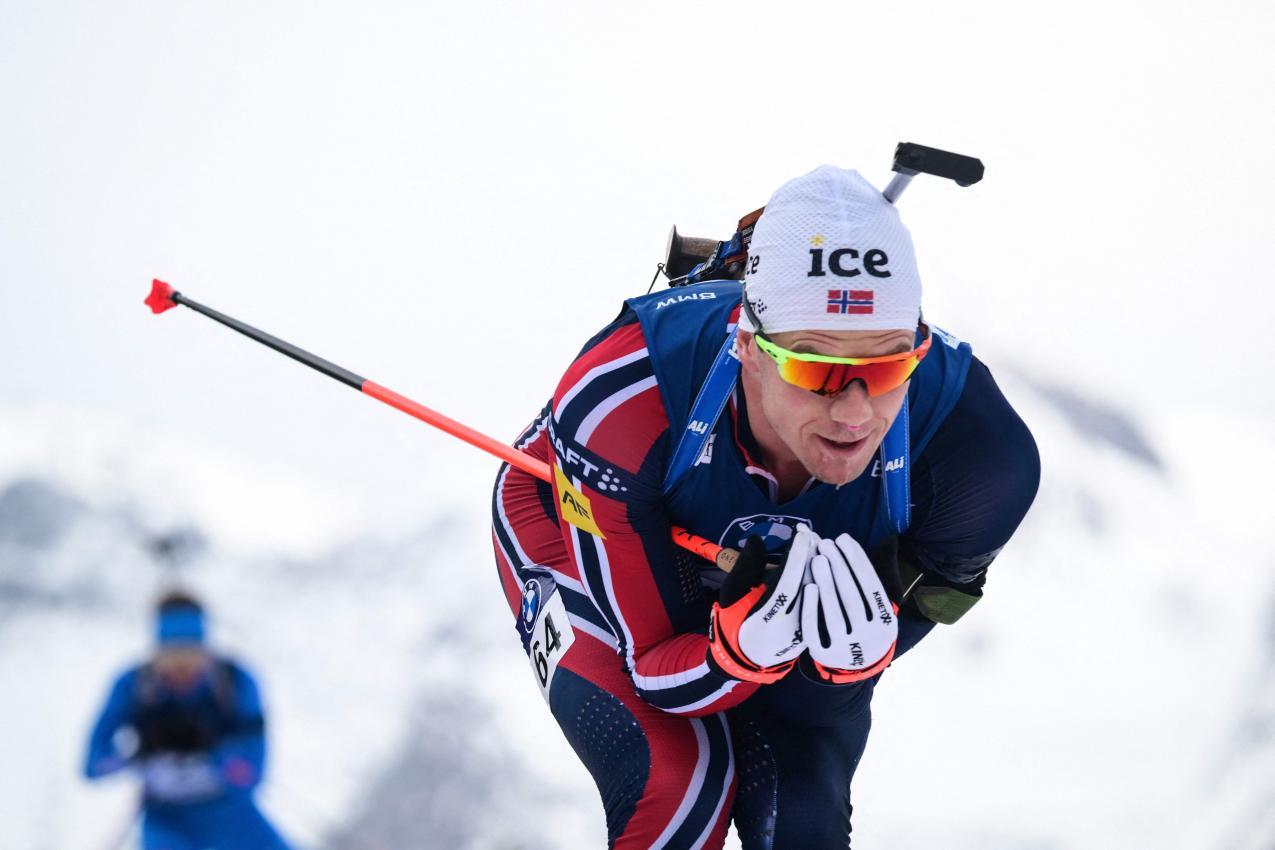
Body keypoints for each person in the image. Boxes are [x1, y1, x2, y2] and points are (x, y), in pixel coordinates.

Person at [491, 164, 1040, 848]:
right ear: (749, 348)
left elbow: (818, 708)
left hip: (743, 584)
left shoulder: (982, 458)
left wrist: (845, 670)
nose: (853, 412)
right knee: (681, 786)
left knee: (801, 825)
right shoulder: (621, 398)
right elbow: (653, 667)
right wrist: (734, 658)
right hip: (577, 526)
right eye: (815, 370)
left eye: (888, 368)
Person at [84, 590, 292, 850]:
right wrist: (141, 758)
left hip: (232, 816)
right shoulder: (132, 686)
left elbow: (252, 775)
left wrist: (214, 755)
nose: (183, 668)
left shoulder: (235, 683)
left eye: (191, 654)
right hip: (166, 823)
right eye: (172, 656)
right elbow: (91, 766)